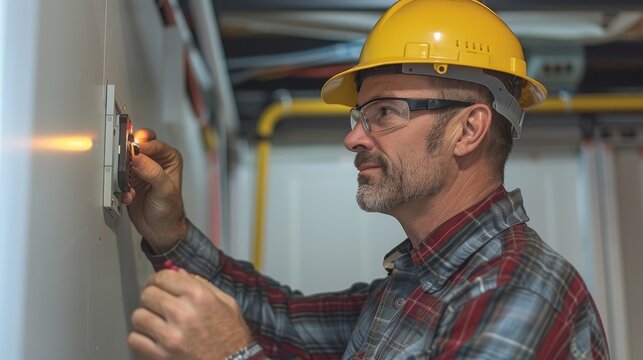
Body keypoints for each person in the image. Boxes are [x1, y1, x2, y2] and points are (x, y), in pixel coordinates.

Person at [124, 0, 609, 359]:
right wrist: (172, 234)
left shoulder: (516, 290)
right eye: (360, 115)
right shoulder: (414, 288)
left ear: (469, 129)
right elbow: (279, 320)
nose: (355, 138)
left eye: (385, 112)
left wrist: (235, 355)